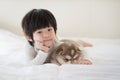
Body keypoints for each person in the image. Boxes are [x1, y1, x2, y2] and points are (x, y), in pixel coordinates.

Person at [21, 8, 92, 65]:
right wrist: (43, 52)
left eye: (49, 29)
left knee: (71, 45)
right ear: (29, 37)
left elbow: (75, 52)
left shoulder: (54, 41)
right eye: (39, 32)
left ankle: (80, 42)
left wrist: (82, 59)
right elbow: (31, 65)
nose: (46, 35)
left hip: (61, 43)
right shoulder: (29, 47)